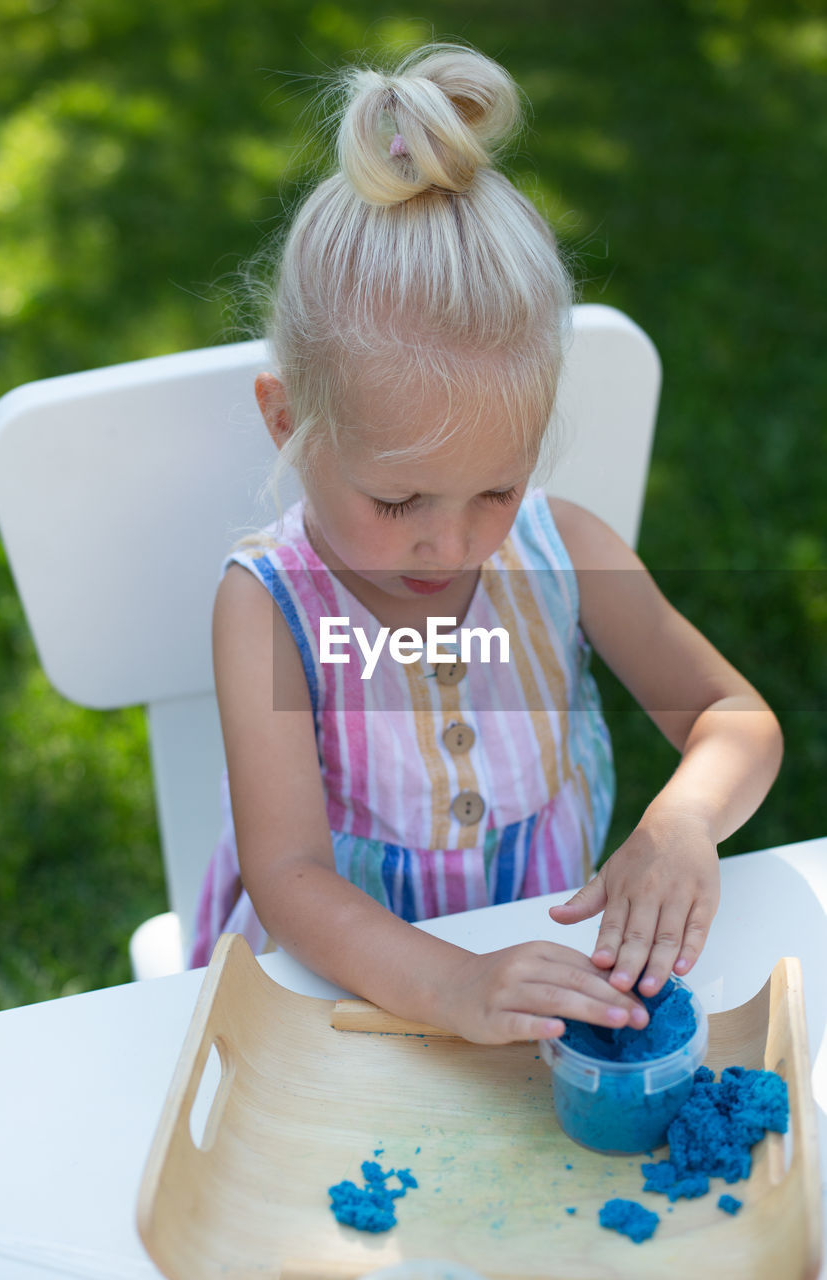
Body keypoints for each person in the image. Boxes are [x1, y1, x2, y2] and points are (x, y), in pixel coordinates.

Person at [189, 43, 782, 1045]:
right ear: (287, 421)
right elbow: (287, 877)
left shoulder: (561, 549)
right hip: (335, 1012)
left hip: (541, 1001)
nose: (450, 539)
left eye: (496, 488)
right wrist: (451, 985)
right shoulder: (270, 608)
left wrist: (682, 819)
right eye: (397, 496)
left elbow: (734, 716)